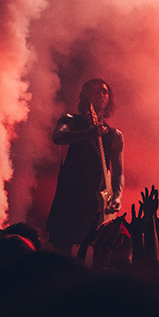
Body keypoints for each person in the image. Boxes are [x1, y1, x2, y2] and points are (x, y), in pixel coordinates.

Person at [46, 79, 124, 253]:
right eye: (95, 91)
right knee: (61, 254)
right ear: (85, 96)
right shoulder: (70, 120)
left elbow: (118, 173)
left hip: (96, 205)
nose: (101, 95)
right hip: (68, 200)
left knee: (94, 254)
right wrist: (87, 134)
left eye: (104, 91)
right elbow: (58, 137)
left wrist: (117, 197)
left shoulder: (115, 135)